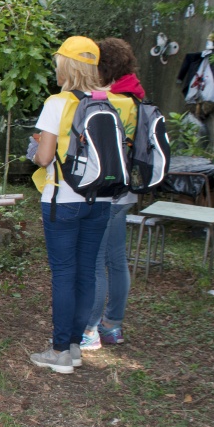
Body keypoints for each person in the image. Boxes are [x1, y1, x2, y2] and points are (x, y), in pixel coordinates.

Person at [28, 36, 124, 374]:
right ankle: (74, 348)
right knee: (85, 272)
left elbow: (43, 158)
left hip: (63, 200)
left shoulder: (58, 102)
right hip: (101, 199)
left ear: (66, 65)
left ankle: (59, 353)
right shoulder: (109, 103)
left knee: (64, 274)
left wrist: (36, 149)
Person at [81, 38, 145, 350]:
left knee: (94, 261)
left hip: (104, 192)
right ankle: (113, 325)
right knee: (117, 259)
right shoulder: (136, 97)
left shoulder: (109, 100)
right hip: (125, 190)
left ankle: (89, 330)